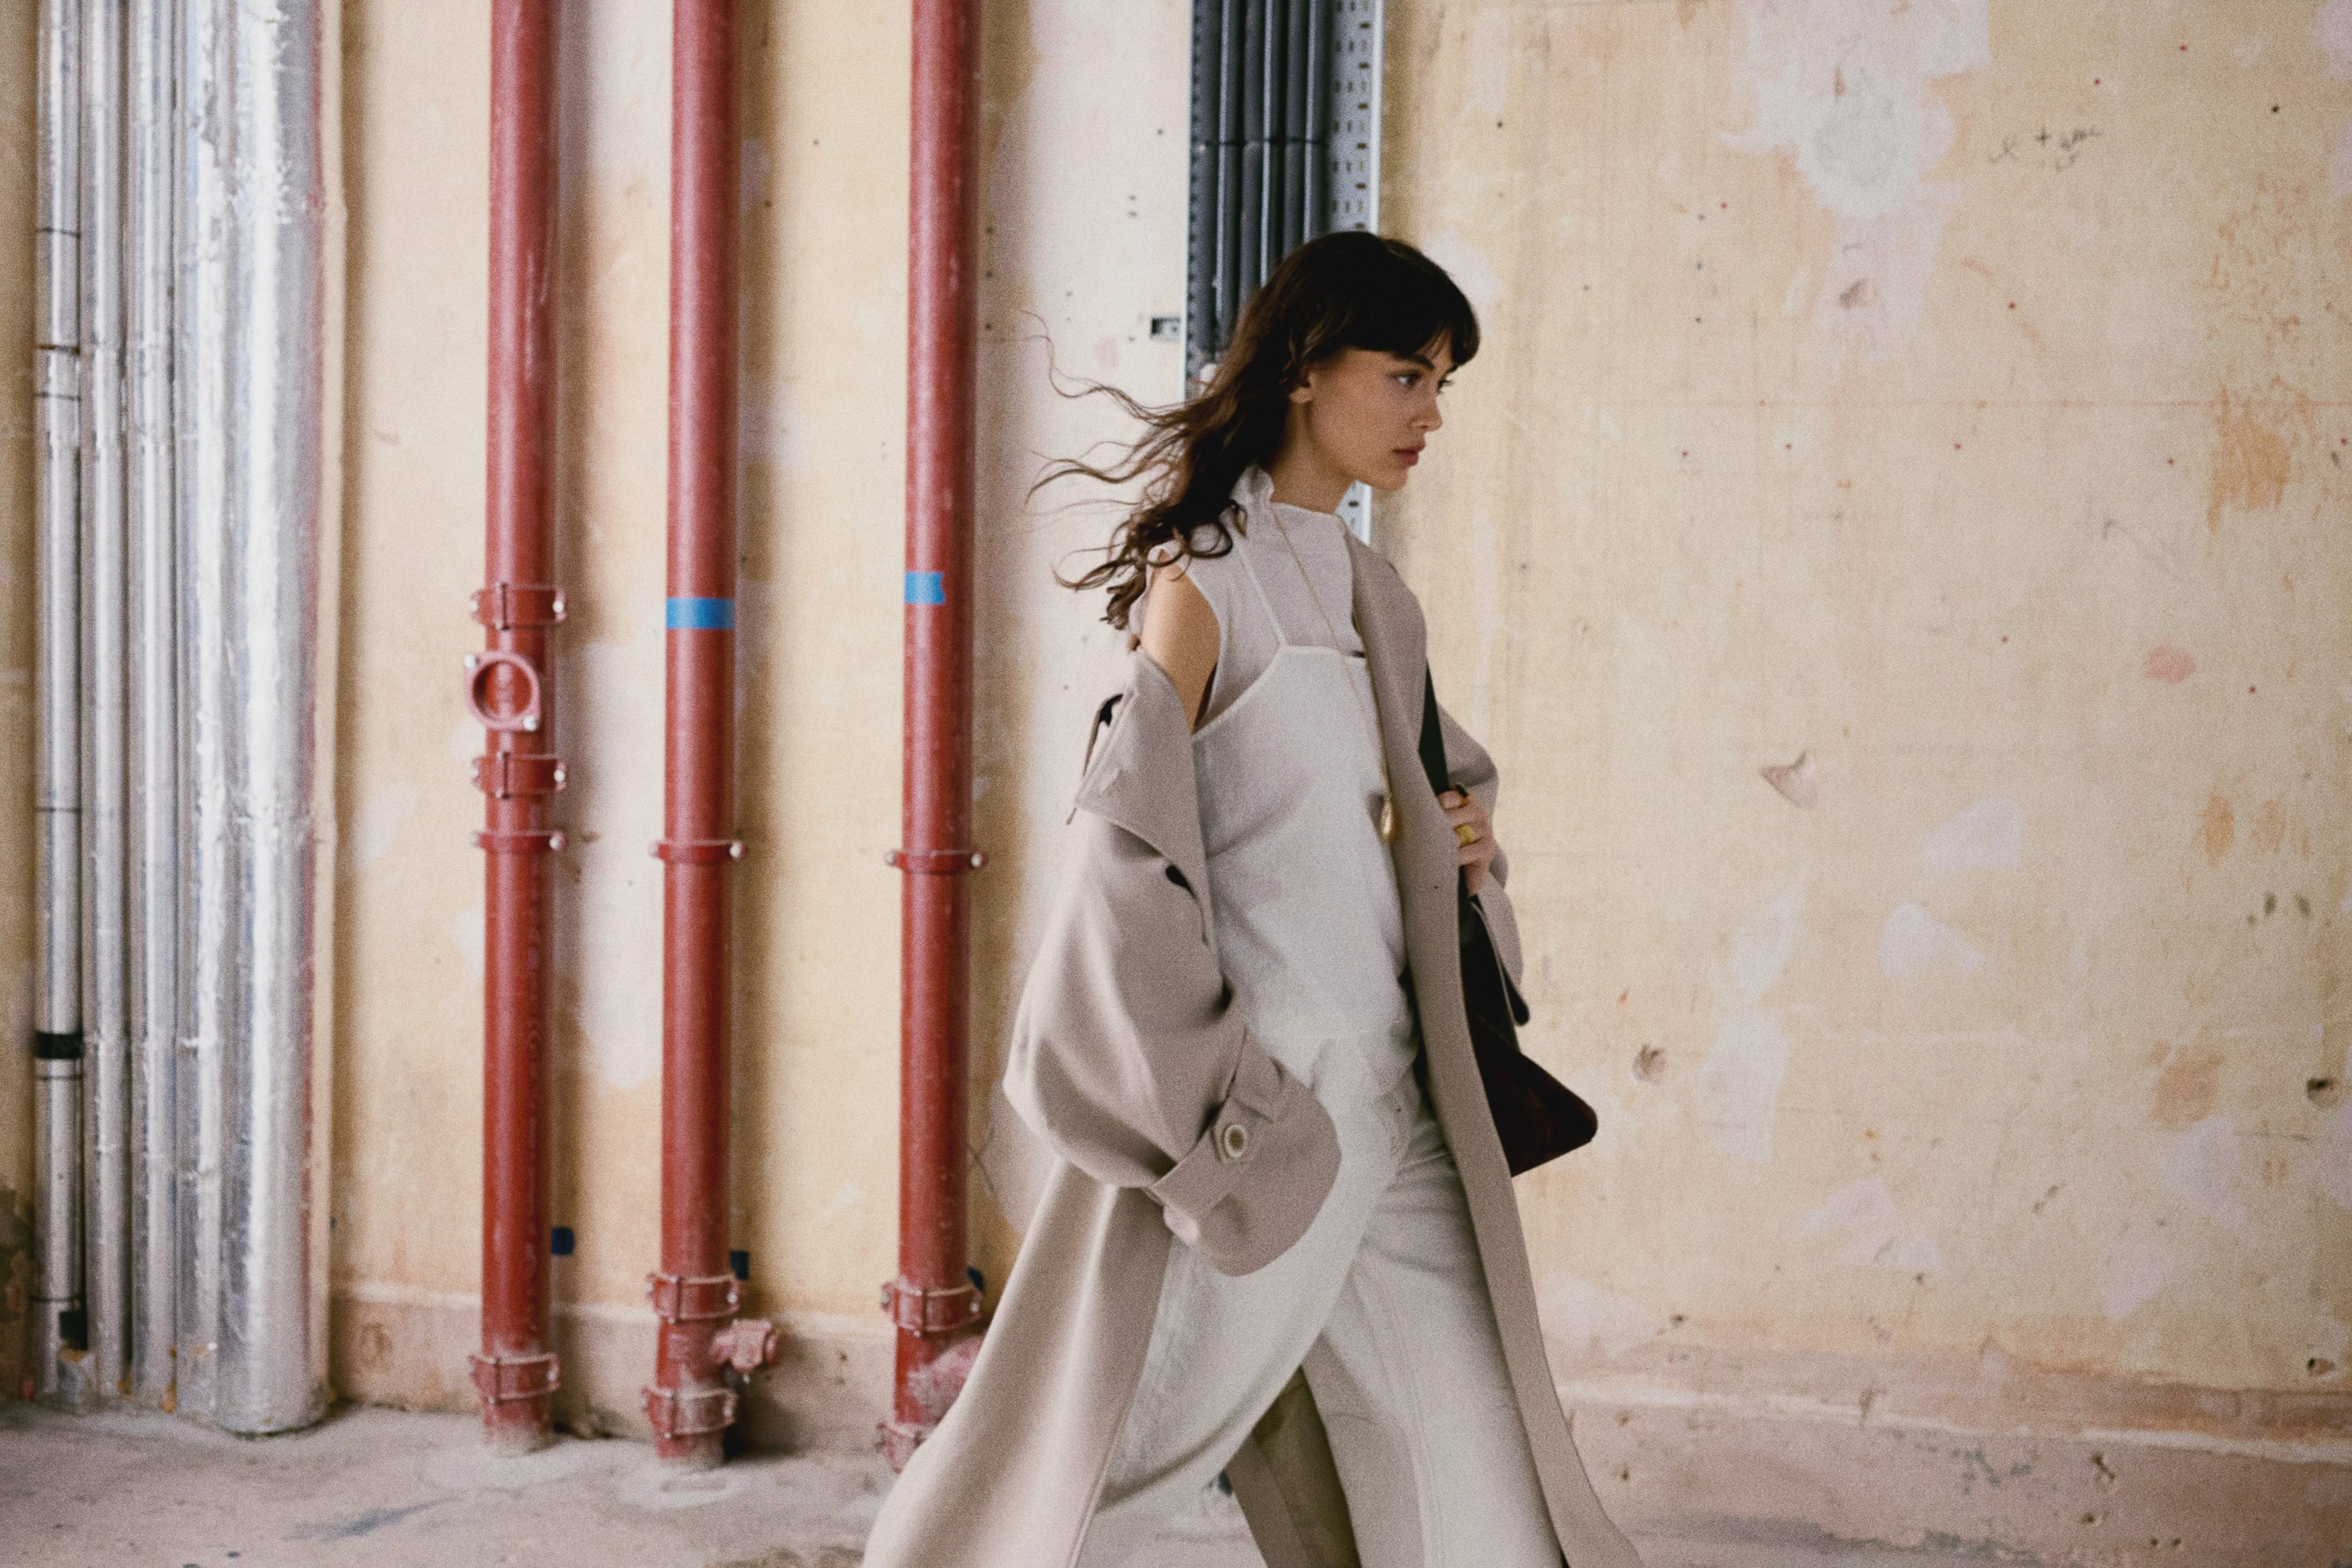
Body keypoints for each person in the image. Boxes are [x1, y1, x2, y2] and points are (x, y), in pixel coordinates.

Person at [861, 232, 1643, 1568]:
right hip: (1267, 1122)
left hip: (1400, 1115)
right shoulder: (1199, 591)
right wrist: (1224, 1112)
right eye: (1407, 375)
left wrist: (1463, 844)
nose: (1431, 415)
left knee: (1477, 1486)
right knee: (1099, 1473)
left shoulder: (1371, 595)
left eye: (1442, 380)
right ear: (1301, 368)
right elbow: (1120, 882)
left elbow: (1430, 807)